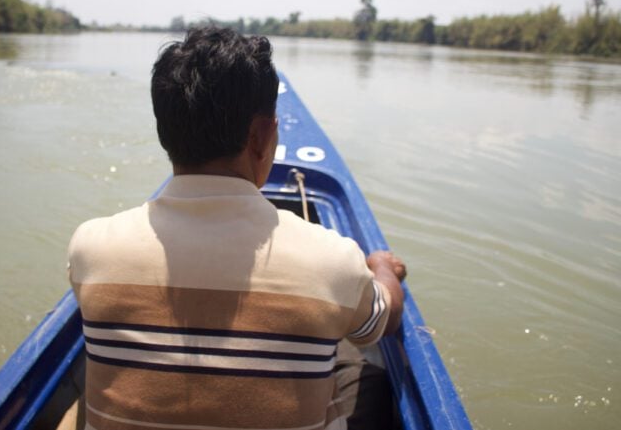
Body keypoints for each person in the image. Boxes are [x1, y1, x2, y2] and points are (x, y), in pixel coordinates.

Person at [67, 27, 406, 430]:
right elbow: (386, 319)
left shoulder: (90, 247)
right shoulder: (333, 259)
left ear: (164, 132)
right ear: (262, 137)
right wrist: (382, 269)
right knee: (363, 374)